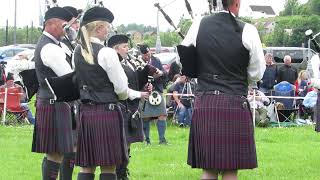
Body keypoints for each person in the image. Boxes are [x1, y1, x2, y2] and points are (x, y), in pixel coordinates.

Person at [181, 0, 265, 179]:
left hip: (205, 101)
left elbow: (185, 60)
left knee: (208, 169)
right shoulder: (248, 29)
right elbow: (257, 71)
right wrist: (242, 80)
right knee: (230, 169)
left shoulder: (198, 24)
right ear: (236, 3)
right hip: (234, 101)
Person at [74, 7, 129, 180]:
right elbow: (122, 89)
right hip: (107, 112)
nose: (109, 31)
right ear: (98, 28)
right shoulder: (107, 52)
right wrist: (124, 95)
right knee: (108, 167)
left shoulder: (77, 51)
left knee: (86, 167)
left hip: (86, 112)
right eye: (107, 27)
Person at [31, 7, 74, 180]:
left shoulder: (56, 45)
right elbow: (69, 75)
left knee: (61, 151)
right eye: (64, 25)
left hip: (55, 102)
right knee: (55, 153)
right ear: (52, 24)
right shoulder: (49, 48)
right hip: (53, 103)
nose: (67, 29)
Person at [107, 34, 152, 179]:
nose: (128, 49)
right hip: (120, 105)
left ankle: (122, 172)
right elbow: (120, 88)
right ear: (115, 49)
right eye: (125, 46)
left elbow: (133, 82)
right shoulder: (113, 64)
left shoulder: (128, 63)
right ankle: (118, 175)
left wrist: (144, 86)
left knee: (127, 144)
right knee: (121, 144)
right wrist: (140, 94)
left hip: (131, 107)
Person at [139, 44, 169, 145]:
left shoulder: (156, 60)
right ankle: (147, 140)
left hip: (157, 91)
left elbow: (165, 74)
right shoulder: (138, 62)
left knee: (162, 115)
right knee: (145, 116)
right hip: (145, 91)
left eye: (148, 54)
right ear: (141, 54)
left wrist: (160, 74)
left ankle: (162, 139)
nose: (147, 56)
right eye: (145, 55)